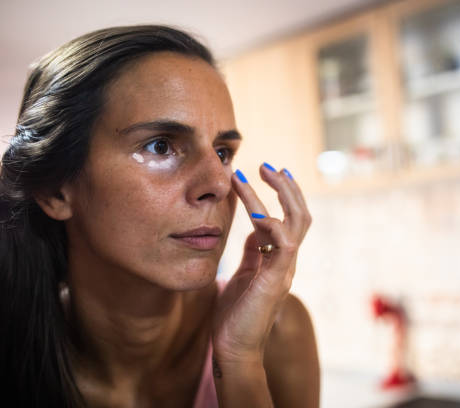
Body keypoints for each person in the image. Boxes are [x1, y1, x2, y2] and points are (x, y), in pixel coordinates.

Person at [0, 25, 319, 407]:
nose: (219, 184)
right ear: (55, 190)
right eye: (161, 146)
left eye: (222, 152)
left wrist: (239, 360)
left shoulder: (278, 331)